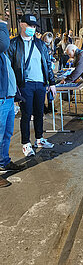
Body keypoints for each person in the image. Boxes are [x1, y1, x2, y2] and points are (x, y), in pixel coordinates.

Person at [6, 14, 56, 157]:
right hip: (24, 85)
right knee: (26, 115)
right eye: (29, 26)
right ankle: (26, 143)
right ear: (22, 24)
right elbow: (9, 68)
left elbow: (47, 64)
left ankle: (39, 139)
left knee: (39, 113)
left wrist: (51, 83)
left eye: (34, 26)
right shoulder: (13, 44)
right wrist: (13, 89)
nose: (32, 29)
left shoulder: (40, 44)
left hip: (40, 84)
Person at [0, 20, 25, 187]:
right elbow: (3, 43)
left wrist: (15, 96)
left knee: (7, 133)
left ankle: (4, 161)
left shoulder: (2, 55)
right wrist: (2, 24)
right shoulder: (1, 48)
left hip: (7, 99)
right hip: (0, 100)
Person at [42, 32, 56, 114]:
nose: (47, 43)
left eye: (49, 42)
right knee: (44, 89)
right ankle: (44, 107)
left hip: (49, 70)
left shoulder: (50, 48)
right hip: (43, 72)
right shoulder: (40, 47)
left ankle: (50, 105)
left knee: (50, 89)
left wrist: (52, 60)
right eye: (46, 41)